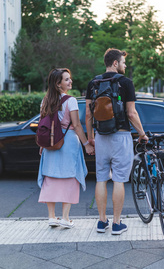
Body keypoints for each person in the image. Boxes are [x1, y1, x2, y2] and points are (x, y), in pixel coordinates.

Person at [85, 48, 148, 235]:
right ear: (115, 63)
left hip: (101, 136)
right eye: (123, 62)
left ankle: (101, 222)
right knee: (119, 180)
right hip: (121, 137)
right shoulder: (126, 83)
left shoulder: (93, 83)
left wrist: (90, 138)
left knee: (101, 179)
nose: (125, 65)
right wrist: (142, 133)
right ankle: (117, 223)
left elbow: (88, 114)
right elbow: (131, 113)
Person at [38, 68, 94, 228]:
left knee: (50, 178)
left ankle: (51, 217)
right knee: (70, 177)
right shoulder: (71, 101)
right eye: (67, 79)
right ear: (58, 84)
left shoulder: (45, 101)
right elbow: (76, 125)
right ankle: (65, 218)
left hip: (50, 142)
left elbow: (43, 125)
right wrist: (86, 144)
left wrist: (43, 145)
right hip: (68, 141)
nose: (71, 81)